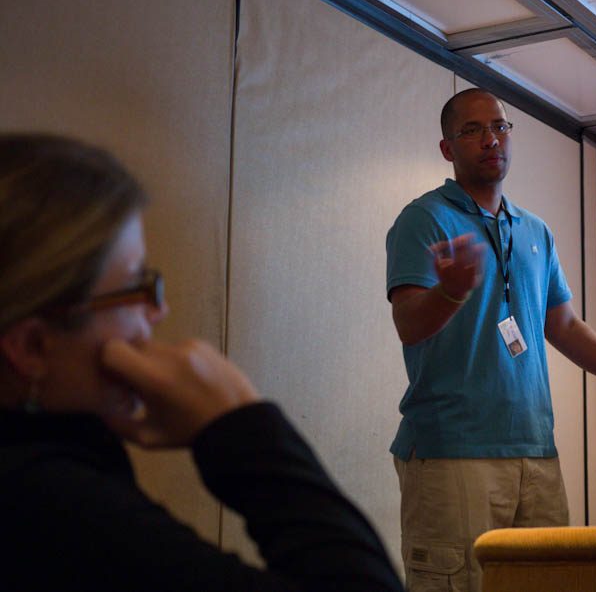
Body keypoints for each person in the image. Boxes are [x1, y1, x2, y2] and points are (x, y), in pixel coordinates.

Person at [0, 133, 404, 592]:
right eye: (136, 287)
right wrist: (239, 423)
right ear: (32, 347)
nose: (159, 311)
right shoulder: (46, 506)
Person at [385, 88, 596, 591]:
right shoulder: (425, 218)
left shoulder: (535, 230)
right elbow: (409, 323)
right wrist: (452, 292)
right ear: (447, 149)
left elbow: (563, 326)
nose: (490, 140)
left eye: (500, 127)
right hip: (453, 451)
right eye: (473, 130)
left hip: (536, 451)